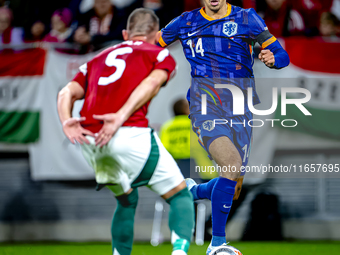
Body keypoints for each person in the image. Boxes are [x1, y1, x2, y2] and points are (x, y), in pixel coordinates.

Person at [57, 8, 194, 255]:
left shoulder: (97, 58)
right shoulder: (158, 53)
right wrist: (120, 116)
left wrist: (67, 119)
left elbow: (65, 92)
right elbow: (152, 82)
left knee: (126, 198)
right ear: (156, 35)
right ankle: (180, 252)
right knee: (180, 196)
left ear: (125, 33)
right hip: (127, 133)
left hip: (90, 141)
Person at [157, 0, 290, 254]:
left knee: (234, 187)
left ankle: (191, 191)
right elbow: (150, 47)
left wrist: (273, 59)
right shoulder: (185, 22)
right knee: (231, 165)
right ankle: (217, 244)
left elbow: (282, 55)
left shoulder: (247, 18)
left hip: (241, 108)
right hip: (204, 105)